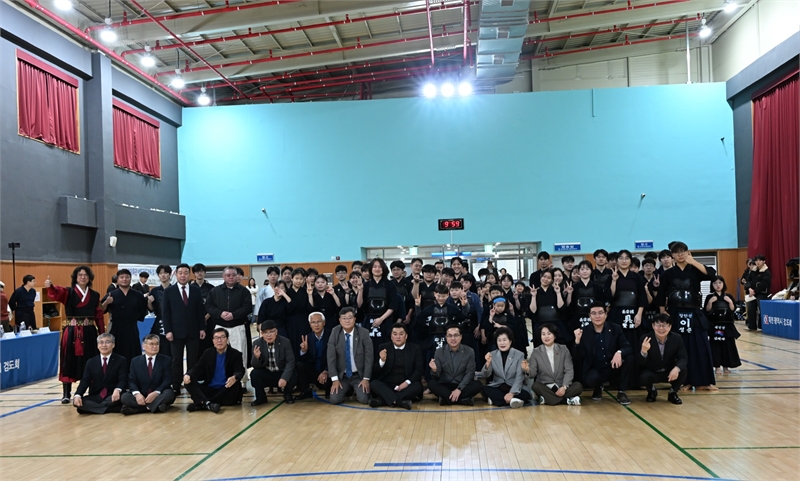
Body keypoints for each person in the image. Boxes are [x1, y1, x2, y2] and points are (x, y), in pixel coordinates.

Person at [656, 242, 718, 391]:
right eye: (676, 252)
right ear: (672, 256)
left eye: (682, 251)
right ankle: (684, 381)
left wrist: (693, 262)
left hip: (694, 313)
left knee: (700, 346)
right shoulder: (668, 274)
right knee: (680, 347)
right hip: (675, 313)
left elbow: (712, 275)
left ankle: (703, 381)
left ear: (687, 252)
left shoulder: (695, 270)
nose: (680, 254)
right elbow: (661, 294)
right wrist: (663, 311)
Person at [44, 266, 105, 403]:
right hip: (71, 332)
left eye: (85, 275)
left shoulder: (95, 295)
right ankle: (66, 394)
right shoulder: (68, 292)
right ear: (75, 278)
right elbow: (57, 293)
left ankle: (93, 391)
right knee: (68, 361)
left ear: (89, 278)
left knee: (91, 360)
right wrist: (50, 287)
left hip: (89, 332)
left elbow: (99, 315)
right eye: (80, 275)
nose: (83, 277)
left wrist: (102, 334)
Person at [573, 303, 634, 405]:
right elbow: (577, 357)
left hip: (613, 366)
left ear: (606, 314)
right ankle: (598, 387)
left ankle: (621, 392)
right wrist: (577, 342)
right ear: (589, 316)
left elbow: (628, 347)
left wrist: (619, 352)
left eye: (600, 313)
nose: (597, 316)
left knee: (629, 359)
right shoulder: (584, 332)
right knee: (591, 378)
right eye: (594, 313)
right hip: (596, 369)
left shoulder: (615, 328)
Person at [162, 263, 206, 394]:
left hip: (193, 330)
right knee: (176, 359)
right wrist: (168, 330)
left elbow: (200, 311)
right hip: (175, 332)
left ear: (189, 274)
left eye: (186, 273)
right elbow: (166, 313)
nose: (183, 275)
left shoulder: (195, 290)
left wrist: (202, 328)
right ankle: (176, 384)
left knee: (193, 359)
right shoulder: (169, 291)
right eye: (180, 273)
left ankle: (191, 383)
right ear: (176, 274)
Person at [205, 266, 253, 384]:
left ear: (237, 276)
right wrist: (220, 313)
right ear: (223, 276)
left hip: (237, 326)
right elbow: (209, 306)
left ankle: (242, 382)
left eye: (233, 275)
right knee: (219, 353)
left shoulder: (244, 291)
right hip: (220, 327)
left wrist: (234, 315)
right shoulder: (215, 291)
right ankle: (220, 379)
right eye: (228, 275)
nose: (231, 277)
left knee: (240, 353)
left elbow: (247, 307)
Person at [183, 328, 245, 412]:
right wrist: (188, 375)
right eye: (216, 338)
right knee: (188, 382)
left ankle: (203, 403)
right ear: (212, 341)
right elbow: (197, 368)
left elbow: (240, 370)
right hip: (210, 389)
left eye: (222, 337)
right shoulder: (207, 353)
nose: (219, 340)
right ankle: (208, 404)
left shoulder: (235, 354)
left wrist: (235, 377)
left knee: (235, 387)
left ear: (227, 339)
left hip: (226, 388)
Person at [522, 323, 582, 405]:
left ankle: (548, 399)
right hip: (546, 387)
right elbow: (533, 374)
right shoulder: (536, 352)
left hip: (561, 386)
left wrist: (564, 387)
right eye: (543, 334)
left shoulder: (563, 349)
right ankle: (566, 401)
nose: (546, 337)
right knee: (535, 386)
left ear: (555, 335)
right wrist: (527, 369)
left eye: (549, 333)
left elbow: (569, 370)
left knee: (578, 386)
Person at [369, 323, 424, 409]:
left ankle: (383, 401)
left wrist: (406, 383)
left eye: (401, 334)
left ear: (406, 336)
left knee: (417, 386)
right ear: (391, 336)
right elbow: (375, 371)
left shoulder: (415, 348)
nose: (398, 337)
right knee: (374, 383)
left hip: (406, 385)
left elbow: (419, 369)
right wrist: (382, 361)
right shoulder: (383, 347)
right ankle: (400, 402)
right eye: (395, 334)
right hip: (388, 385)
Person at [638, 314, 688, 404]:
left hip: (669, 371)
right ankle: (651, 391)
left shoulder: (677, 338)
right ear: (653, 326)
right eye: (658, 325)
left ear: (670, 326)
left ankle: (673, 392)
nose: (661, 329)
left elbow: (683, 357)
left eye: (664, 325)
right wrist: (644, 352)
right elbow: (640, 363)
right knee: (643, 375)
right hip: (652, 371)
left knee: (683, 369)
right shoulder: (645, 339)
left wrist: (676, 368)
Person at [73, 333, 128, 414]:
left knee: (124, 398)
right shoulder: (91, 362)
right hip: (97, 395)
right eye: (101, 342)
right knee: (79, 402)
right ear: (97, 346)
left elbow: (123, 379)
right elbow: (85, 381)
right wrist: (78, 395)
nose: (104, 345)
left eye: (107, 342)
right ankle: (111, 409)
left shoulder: (121, 360)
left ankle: (96, 408)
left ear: (113, 345)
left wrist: (118, 389)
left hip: (113, 395)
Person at [428, 324, 483, 406]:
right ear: (446, 337)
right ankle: (463, 400)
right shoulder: (439, 352)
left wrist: (459, 389)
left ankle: (446, 399)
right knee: (431, 383)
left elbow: (470, 373)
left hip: (462, 385)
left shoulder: (469, 351)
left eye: (456, 335)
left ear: (461, 337)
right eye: (450, 336)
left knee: (478, 384)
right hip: (445, 385)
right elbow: (436, 376)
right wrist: (434, 370)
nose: (453, 338)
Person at [327, 307, 372, 405]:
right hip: (342, 376)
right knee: (334, 400)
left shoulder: (364, 333)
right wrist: (335, 379)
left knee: (364, 399)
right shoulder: (335, 332)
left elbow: (369, 358)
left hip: (358, 375)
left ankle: (355, 390)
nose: (347, 321)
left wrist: (366, 379)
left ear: (355, 319)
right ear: (340, 320)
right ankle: (348, 391)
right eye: (344, 318)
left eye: (350, 318)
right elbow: (331, 357)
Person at [121, 334, 176, 415]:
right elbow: (132, 380)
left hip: (159, 393)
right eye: (151, 344)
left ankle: (140, 409)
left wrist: (156, 392)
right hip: (142, 393)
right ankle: (156, 406)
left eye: (157, 344)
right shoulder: (135, 361)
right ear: (143, 346)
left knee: (169, 394)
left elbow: (168, 379)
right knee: (125, 397)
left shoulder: (166, 360)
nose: (155, 346)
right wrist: (137, 394)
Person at [102, 269, 149, 363]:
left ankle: (133, 371)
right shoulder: (111, 294)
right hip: (116, 327)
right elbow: (101, 310)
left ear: (130, 279)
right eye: (122, 277)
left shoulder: (138, 295)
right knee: (116, 353)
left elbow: (143, 311)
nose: (124, 279)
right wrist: (107, 302)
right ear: (117, 279)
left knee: (133, 353)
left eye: (127, 277)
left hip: (132, 327)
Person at [481, 327, 532, 408]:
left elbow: (519, 376)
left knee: (525, 394)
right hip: (499, 386)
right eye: (499, 340)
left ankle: (498, 400)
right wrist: (488, 363)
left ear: (510, 341)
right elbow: (485, 375)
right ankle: (513, 401)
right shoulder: (492, 354)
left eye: (504, 340)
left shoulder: (519, 355)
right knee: (485, 389)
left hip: (514, 386)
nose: (502, 343)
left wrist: (512, 393)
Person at [250, 320, 297, 405]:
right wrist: (257, 357)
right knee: (254, 374)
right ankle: (261, 398)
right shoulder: (257, 343)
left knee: (293, 373)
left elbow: (290, 362)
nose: (269, 335)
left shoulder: (285, 342)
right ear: (262, 333)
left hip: (281, 372)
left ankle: (287, 394)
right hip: (267, 373)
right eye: (266, 332)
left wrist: (284, 378)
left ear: (276, 332)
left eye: (271, 332)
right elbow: (254, 365)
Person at [358, 258, 397, 354]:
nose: (377, 269)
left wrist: (381, 319)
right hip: (369, 321)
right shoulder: (365, 285)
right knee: (368, 349)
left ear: (383, 269)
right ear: (371, 269)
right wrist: (360, 290)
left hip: (385, 321)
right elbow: (359, 305)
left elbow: (392, 306)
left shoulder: (390, 285)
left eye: (380, 267)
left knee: (385, 349)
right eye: (374, 267)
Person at [704, 276, 741, 374]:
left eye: (720, 283)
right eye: (715, 283)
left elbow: (732, 309)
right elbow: (707, 310)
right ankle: (717, 367)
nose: (718, 285)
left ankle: (726, 367)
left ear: (723, 284)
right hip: (715, 325)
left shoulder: (728, 296)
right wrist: (710, 302)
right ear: (712, 285)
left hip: (727, 325)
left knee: (728, 346)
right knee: (715, 346)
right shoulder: (709, 297)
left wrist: (729, 301)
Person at [296, 312, 332, 400]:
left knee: (328, 386)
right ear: (310, 324)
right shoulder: (307, 338)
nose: (316, 325)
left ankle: (329, 390)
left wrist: (326, 371)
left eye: (319, 322)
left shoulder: (332, 335)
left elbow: (336, 357)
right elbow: (304, 360)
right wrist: (304, 351)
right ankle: (306, 391)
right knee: (299, 365)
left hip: (328, 371)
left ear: (324, 323)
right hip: (315, 371)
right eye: (313, 322)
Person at [529, 270, 566, 347]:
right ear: (540, 278)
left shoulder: (556, 290)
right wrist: (533, 296)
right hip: (540, 323)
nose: (546, 279)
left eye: (549, 278)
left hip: (555, 323)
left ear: (552, 280)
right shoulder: (535, 291)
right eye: (544, 277)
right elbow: (533, 310)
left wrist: (558, 293)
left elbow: (561, 307)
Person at [146, 265, 172, 355]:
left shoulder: (175, 289)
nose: (163, 275)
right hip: (159, 319)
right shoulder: (154, 291)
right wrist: (149, 302)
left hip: (173, 321)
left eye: (165, 273)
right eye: (160, 273)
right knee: (158, 345)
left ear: (170, 274)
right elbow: (151, 309)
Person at [191, 263, 215, 351]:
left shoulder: (211, 288)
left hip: (209, 320)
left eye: (201, 271)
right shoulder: (190, 288)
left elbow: (214, 304)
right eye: (197, 271)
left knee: (209, 344)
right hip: (193, 321)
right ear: (194, 273)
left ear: (205, 273)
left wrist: (206, 317)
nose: (199, 273)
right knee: (195, 346)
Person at [747, 254, 772, 330]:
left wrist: (754, 291)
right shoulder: (753, 271)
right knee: (750, 309)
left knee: (762, 310)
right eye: (756, 260)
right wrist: (749, 288)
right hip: (752, 293)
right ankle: (752, 326)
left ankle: (761, 326)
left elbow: (764, 284)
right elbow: (748, 280)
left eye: (760, 260)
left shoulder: (766, 272)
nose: (758, 262)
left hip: (762, 294)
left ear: (764, 261)